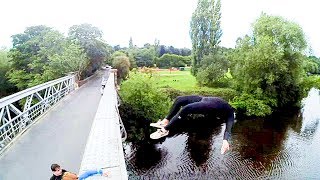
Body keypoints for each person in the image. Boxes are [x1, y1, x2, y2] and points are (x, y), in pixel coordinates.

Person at [149, 95, 235, 155]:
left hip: (210, 105)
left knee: (186, 109)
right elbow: (228, 128)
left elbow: (228, 129)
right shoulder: (229, 111)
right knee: (179, 100)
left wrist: (225, 140)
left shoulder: (230, 114)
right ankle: (166, 121)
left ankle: (165, 129)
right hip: (205, 99)